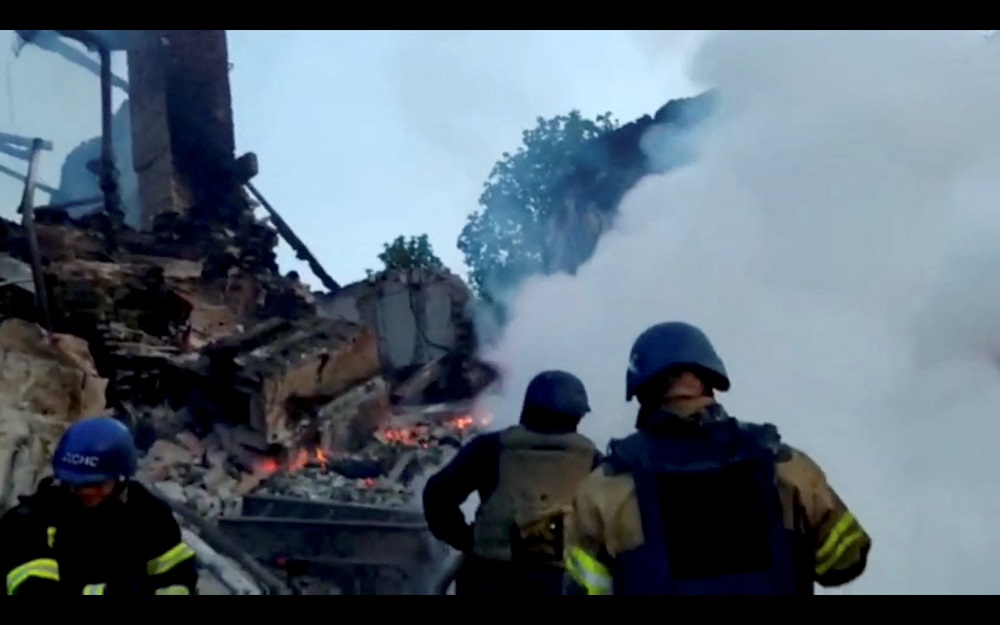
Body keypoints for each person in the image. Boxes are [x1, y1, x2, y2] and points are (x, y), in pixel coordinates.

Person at [564, 321, 872, 595]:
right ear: (710, 382)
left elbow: (584, 590)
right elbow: (845, 562)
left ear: (643, 393)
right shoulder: (786, 469)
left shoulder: (606, 489)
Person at [423, 370, 601, 595]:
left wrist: (468, 540)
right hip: (561, 583)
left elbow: (437, 497)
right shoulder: (594, 462)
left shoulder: (491, 449)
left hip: (489, 579)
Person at [0, 416, 199, 596]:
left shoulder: (149, 515)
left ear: (121, 478)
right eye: (76, 484)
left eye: (97, 484)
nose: (85, 492)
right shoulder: (31, 522)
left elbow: (178, 574)